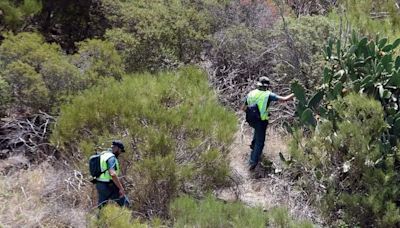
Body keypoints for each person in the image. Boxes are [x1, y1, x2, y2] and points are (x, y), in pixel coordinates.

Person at [241, 76, 294, 171]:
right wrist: (295, 93)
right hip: (261, 121)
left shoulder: (251, 93)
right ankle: (252, 163)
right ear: (267, 86)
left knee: (257, 135)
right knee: (260, 142)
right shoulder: (268, 95)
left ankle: (253, 148)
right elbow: (284, 99)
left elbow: (243, 108)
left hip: (251, 120)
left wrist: (252, 114)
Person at [95, 140, 129, 208]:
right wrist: (121, 188)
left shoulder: (103, 155)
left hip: (99, 184)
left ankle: (99, 218)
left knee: (101, 208)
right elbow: (112, 174)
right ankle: (124, 218)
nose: (120, 153)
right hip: (108, 185)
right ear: (116, 148)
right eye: (120, 150)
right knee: (126, 204)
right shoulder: (111, 158)